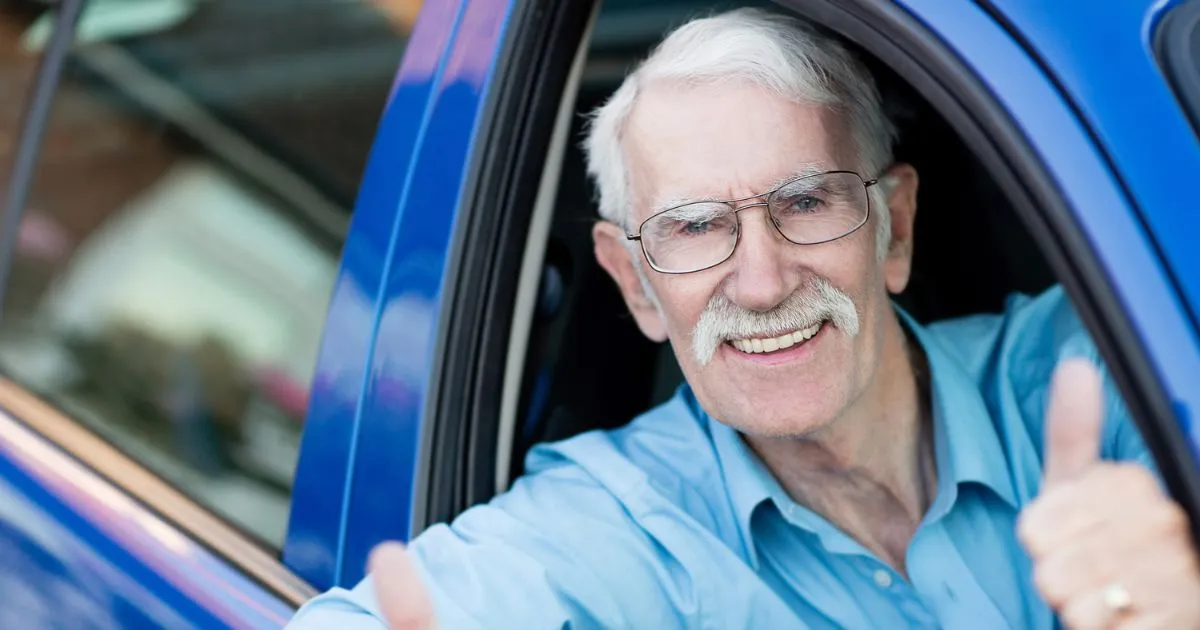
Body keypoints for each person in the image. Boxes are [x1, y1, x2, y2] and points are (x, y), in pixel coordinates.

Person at [289, 8, 1200, 629]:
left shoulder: (1102, 372)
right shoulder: (618, 529)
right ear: (637, 286)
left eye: (806, 203)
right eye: (694, 229)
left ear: (896, 228)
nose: (761, 282)